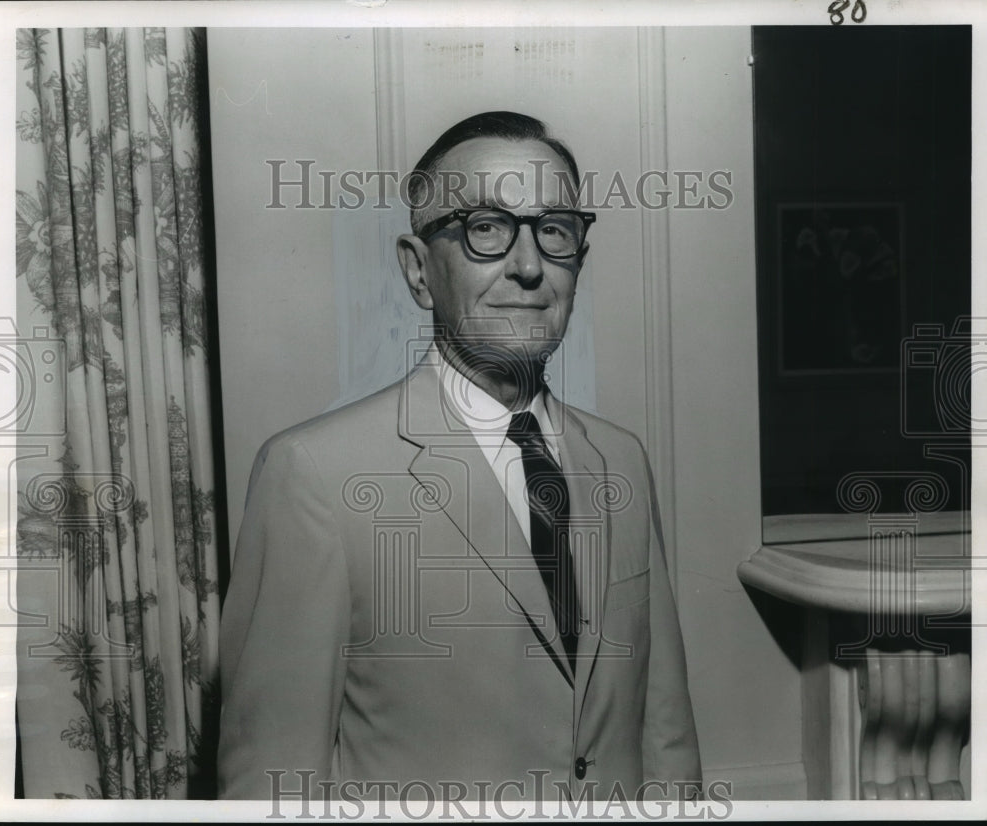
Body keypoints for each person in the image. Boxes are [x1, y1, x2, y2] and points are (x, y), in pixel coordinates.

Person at [217, 111, 701, 803]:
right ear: (418, 271)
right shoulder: (315, 475)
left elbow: (665, 736)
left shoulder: (621, 459)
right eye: (485, 228)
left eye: (555, 229)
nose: (529, 266)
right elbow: (272, 784)